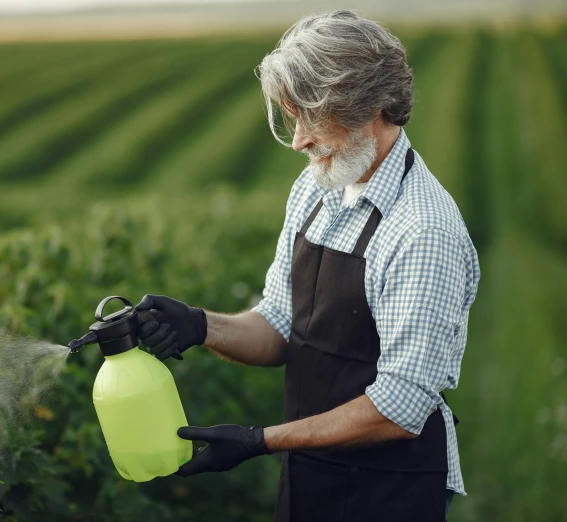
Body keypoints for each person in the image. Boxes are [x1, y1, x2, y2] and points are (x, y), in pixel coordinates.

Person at [135, 10, 481, 522]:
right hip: (310, 473)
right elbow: (280, 325)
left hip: (389, 491)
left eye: (312, 118)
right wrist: (198, 325)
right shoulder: (316, 190)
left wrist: (259, 441)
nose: (298, 140)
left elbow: (400, 408)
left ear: (372, 106)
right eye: (294, 117)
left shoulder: (422, 230)